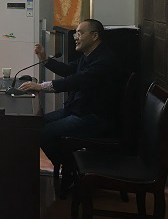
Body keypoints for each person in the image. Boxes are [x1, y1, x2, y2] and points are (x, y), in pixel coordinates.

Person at [19, 19, 120, 197]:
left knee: (42, 132)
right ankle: (69, 167)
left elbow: (75, 81)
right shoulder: (89, 55)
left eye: (80, 33)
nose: (75, 37)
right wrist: (44, 59)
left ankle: (71, 170)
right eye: (76, 33)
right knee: (36, 124)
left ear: (95, 36)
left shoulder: (104, 60)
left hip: (93, 118)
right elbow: (69, 70)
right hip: (78, 110)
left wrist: (41, 86)